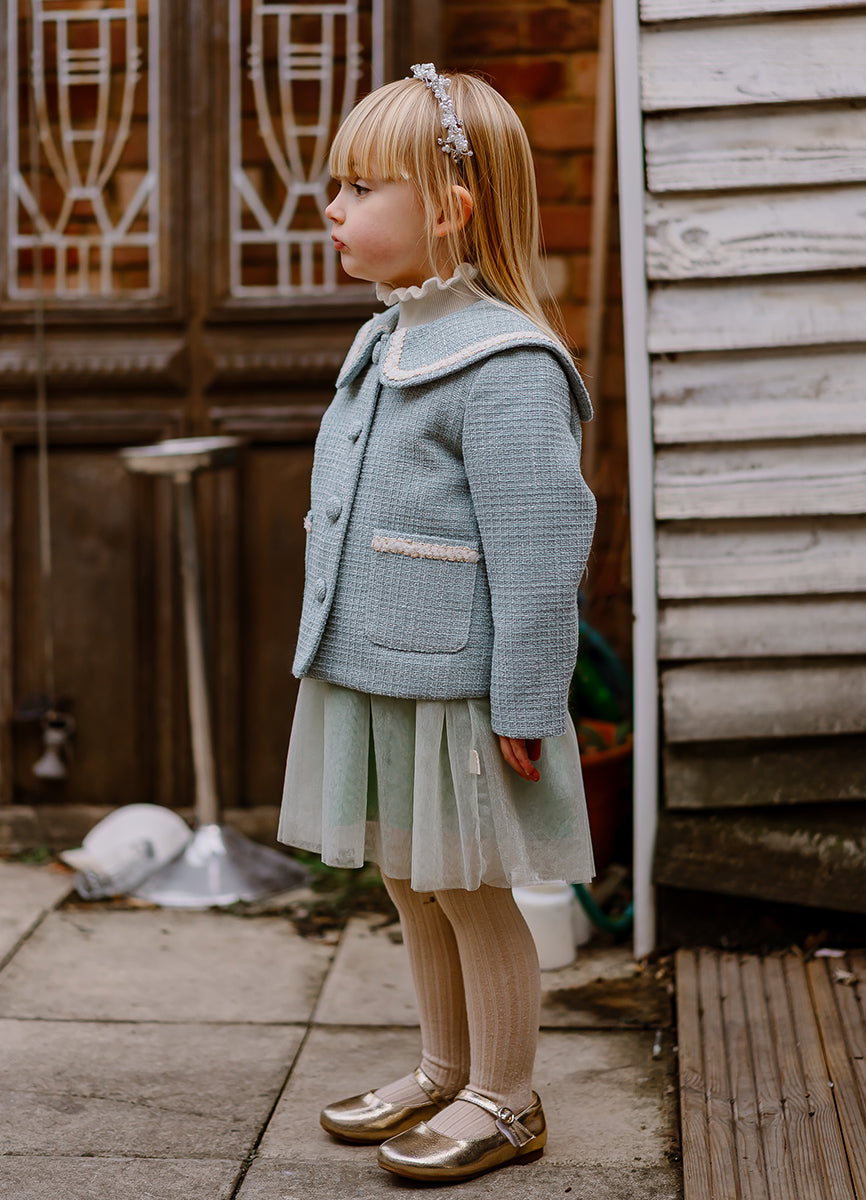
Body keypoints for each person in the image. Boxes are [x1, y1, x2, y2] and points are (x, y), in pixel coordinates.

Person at [278, 63, 597, 1184]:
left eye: (361, 188)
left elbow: (540, 548)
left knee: (467, 885)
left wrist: (527, 697)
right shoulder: (388, 339)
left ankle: (507, 1100)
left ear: (450, 209)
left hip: (457, 683)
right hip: (379, 666)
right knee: (410, 876)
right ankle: (444, 1068)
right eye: (337, 185)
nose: (333, 208)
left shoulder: (506, 364)